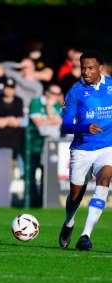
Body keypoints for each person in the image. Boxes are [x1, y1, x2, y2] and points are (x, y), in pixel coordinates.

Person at [59, 51, 112, 251]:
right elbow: (65, 126)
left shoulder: (111, 86)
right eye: (83, 68)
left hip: (108, 146)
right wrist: (84, 127)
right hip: (82, 149)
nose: (85, 72)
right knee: (75, 197)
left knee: (105, 179)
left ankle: (85, 235)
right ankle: (69, 222)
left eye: (90, 68)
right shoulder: (75, 91)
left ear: (101, 69)